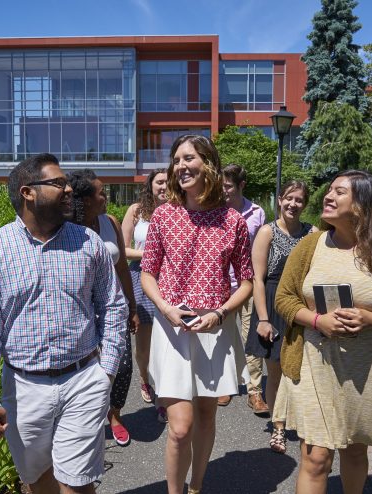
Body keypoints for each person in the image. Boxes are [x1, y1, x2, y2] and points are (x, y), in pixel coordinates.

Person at [0, 153, 128, 494]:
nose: (68, 189)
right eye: (57, 183)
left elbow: (112, 307)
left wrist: (106, 372)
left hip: (83, 379)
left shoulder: (88, 243)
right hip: (24, 388)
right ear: (28, 193)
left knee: (77, 485)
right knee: (38, 481)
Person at [274, 169, 372, 493]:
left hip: (367, 366)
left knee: (355, 452)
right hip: (315, 362)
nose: (328, 196)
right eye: (329, 190)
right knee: (315, 457)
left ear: (364, 205)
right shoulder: (310, 246)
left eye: (340, 192)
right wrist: (316, 321)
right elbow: (283, 298)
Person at [140, 135, 253, 494]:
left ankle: (197, 487)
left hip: (215, 327)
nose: (180, 166)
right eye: (176, 160)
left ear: (208, 164)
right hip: (173, 327)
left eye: (188, 158)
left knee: (206, 415)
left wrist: (221, 314)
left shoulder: (232, 220)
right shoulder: (164, 215)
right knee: (180, 427)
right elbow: (147, 272)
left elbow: (248, 281)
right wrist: (165, 308)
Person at [69, 169, 141, 447]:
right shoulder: (66, 227)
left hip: (114, 307)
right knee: (86, 369)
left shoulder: (109, 221)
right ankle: (86, 420)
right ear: (85, 200)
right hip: (81, 311)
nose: (106, 196)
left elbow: (122, 267)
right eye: (101, 192)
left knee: (122, 368)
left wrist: (132, 305)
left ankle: (115, 415)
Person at [245, 180, 314, 454]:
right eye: (289, 198)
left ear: (304, 204)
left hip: (300, 306)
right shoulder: (267, 232)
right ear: (280, 199)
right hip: (272, 304)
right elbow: (257, 279)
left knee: (299, 371)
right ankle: (279, 428)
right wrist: (262, 318)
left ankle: (305, 422)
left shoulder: (312, 233)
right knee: (275, 372)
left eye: (299, 200)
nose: (293, 204)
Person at [121, 168, 169, 423]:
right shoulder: (136, 211)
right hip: (140, 276)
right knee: (144, 339)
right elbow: (123, 249)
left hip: (170, 276)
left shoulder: (180, 211)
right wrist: (152, 253)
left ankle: (162, 395)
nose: (164, 186)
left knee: (168, 336)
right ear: (151, 185)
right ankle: (144, 376)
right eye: (159, 182)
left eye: (168, 182)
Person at [219, 164, 267, 413]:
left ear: (241, 186)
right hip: (222, 285)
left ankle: (255, 391)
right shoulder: (215, 212)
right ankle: (225, 386)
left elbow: (262, 251)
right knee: (223, 337)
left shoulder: (257, 213)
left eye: (228, 186)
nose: (224, 191)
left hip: (248, 284)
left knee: (252, 337)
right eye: (222, 186)